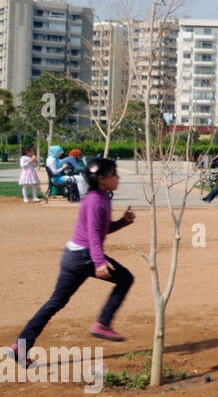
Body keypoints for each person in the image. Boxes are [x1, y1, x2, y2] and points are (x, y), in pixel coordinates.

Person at [8, 156, 135, 364]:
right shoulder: (95, 200)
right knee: (126, 278)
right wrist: (99, 261)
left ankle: (19, 346)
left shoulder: (101, 196)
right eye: (114, 174)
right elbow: (94, 234)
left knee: (55, 303)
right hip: (84, 257)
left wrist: (123, 222)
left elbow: (102, 229)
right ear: (102, 179)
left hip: (75, 256)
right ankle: (102, 323)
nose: (118, 177)